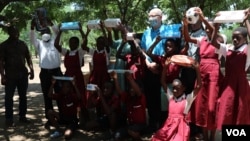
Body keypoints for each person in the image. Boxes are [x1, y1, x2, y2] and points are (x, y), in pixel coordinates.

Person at [183, 8, 223, 141]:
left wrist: (204, 18)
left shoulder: (220, 40)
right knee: (202, 106)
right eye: (206, 28)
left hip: (213, 76)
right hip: (202, 74)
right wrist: (185, 25)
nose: (206, 30)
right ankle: (205, 136)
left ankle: (212, 136)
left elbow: (213, 32)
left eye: (208, 27)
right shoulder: (202, 40)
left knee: (212, 107)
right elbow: (188, 38)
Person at [212, 8, 250, 130]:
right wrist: (216, 25)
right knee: (226, 111)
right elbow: (213, 42)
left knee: (240, 113)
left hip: (241, 86)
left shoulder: (247, 50)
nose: (234, 39)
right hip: (228, 85)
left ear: (245, 38)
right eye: (233, 37)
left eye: (237, 37)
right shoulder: (228, 48)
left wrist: (247, 21)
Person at [151, 59, 202, 141]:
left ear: (183, 88)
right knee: (157, 138)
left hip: (181, 129)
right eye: (173, 88)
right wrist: (165, 67)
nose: (174, 91)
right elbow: (163, 82)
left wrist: (197, 69)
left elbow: (199, 86)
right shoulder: (171, 97)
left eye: (177, 89)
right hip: (168, 127)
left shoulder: (188, 99)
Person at [30, 18, 63, 127]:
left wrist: (51, 24)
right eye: (43, 32)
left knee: (60, 94)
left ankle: (62, 117)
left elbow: (58, 33)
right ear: (41, 34)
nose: (45, 33)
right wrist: (32, 27)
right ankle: (50, 119)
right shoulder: (39, 44)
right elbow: (32, 39)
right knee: (47, 97)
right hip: (45, 73)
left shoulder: (55, 41)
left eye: (47, 31)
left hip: (57, 72)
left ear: (50, 33)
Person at [54, 22, 89, 127]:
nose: (71, 44)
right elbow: (56, 45)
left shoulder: (80, 52)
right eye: (70, 42)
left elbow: (85, 41)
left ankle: (83, 120)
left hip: (77, 77)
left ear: (77, 44)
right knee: (67, 97)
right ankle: (70, 117)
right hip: (67, 78)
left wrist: (81, 30)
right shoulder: (66, 52)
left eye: (74, 43)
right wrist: (60, 31)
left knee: (80, 97)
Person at [140, 7, 168, 131]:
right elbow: (143, 50)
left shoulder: (168, 31)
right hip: (149, 67)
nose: (151, 19)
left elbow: (171, 49)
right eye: (149, 16)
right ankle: (152, 124)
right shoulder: (146, 33)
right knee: (150, 97)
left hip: (162, 68)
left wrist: (159, 64)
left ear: (161, 17)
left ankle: (162, 125)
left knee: (161, 98)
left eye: (154, 16)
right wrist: (147, 63)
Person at [0, 26, 34, 127]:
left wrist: (32, 70)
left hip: (23, 75)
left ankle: (22, 116)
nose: (15, 33)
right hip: (10, 76)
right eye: (13, 31)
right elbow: (1, 62)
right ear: (9, 32)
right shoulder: (4, 45)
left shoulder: (23, 44)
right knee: (8, 97)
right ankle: (9, 118)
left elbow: (28, 58)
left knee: (23, 96)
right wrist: (2, 75)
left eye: (16, 31)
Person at [110, 71, 147, 141]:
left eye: (133, 88)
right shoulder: (128, 97)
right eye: (130, 88)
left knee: (132, 131)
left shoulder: (141, 98)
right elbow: (119, 91)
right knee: (117, 135)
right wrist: (115, 78)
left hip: (140, 125)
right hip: (130, 125)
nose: (132, 90)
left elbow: (138, 90)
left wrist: (130, 79)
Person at [83, 21, 111, 90]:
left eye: (102, 43)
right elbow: (83, 46)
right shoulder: (93, 51)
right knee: (93, 91)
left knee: (104, 90)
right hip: (94, 75)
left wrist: (103, 29)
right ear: (96, 43)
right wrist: (87, 32)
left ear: (104, 44)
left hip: (104, 75)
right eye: (99, 42)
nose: (100, 44)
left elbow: (107, 43)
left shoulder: (107, 51)